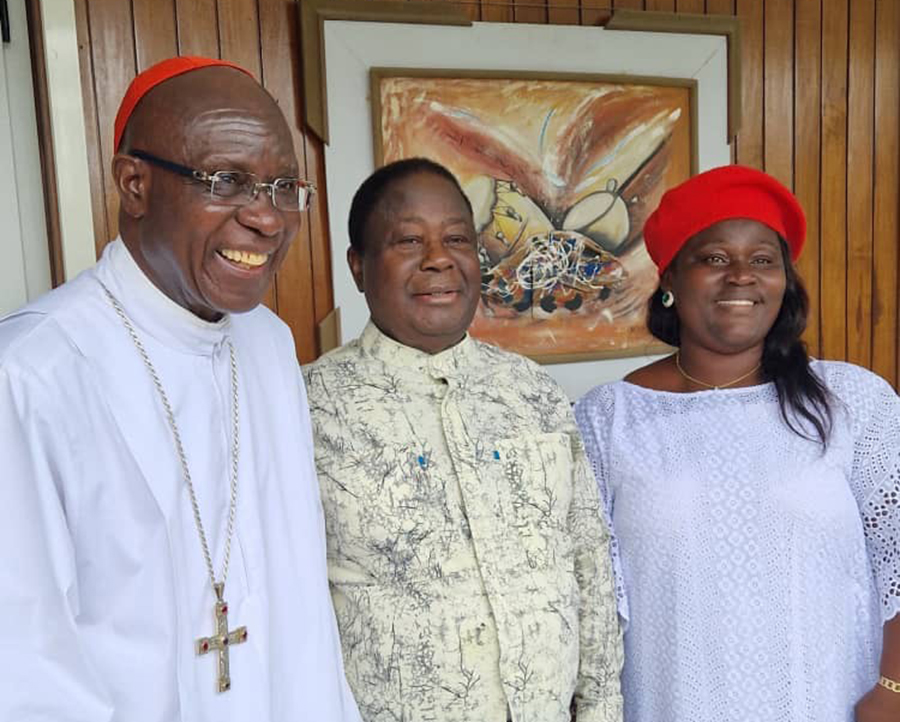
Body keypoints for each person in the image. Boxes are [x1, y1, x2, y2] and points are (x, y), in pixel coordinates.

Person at [0, 56, 360, 721]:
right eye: (227, 181)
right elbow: (25, 665)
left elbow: (300, 597)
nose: (269, 219)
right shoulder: (30, 373)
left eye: (285, 186)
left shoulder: (267, 344)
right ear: (134, 183)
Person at [574, 165, 900, 722]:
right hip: (671, 702)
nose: (742, 276)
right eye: (715, 258)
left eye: (763, 260)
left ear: (784, 281)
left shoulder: (852, 401)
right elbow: (589, 594)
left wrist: (892, 690)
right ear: (671, 278)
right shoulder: (609, 418)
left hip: (828, 700)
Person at [302, 158, 624, 722]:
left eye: (456, 238)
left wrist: (601, 707)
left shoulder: (531, 392)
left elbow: (588, 562)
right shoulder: (307, 406)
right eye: (408, 240)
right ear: (358, 267)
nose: (438, 259)